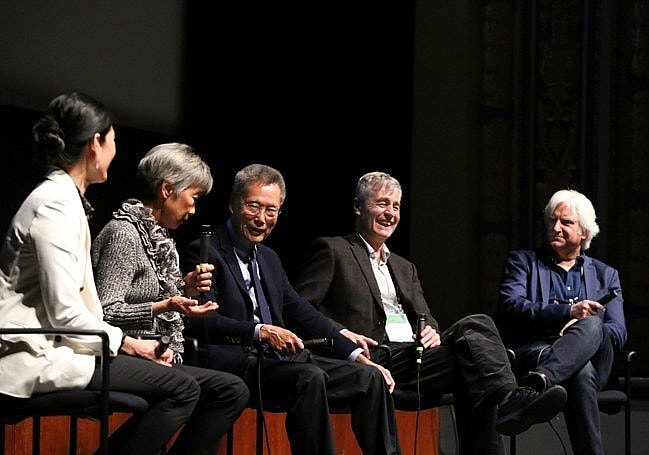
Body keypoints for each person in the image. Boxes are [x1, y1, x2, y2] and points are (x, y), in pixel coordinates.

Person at [0, 92, 217, 455]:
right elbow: (64, 313)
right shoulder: (54, 204)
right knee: (182, 389)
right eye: (113, 139)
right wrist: (131, 344)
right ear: (95, 144)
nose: (116, 150)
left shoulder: (64, 199)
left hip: (60, 346)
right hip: (32, 354)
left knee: (183, 388)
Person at [292, 171, 568, 455]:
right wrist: (342, 333)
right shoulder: (334, 250)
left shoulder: (404, 267)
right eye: (382, 203)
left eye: (396, 206)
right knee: (475, 348)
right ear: (358, 206)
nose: (390, 213)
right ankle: (510, 399)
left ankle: (508, 401)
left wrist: (432, 331)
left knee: (475, 351)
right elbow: (301, 310)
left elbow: (427, 318)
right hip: (372, 357)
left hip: (414, 358)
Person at [180, 163, 401, 455]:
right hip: (236, 362)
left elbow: (304, 313)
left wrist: (356, 355)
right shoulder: (206, 250)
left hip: (278, 362)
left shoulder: (269, 258)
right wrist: (260, 331)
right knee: (309, 377)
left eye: (271, 210)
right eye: (253, 206)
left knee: (370, 378)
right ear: (233, 204)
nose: (262, 219)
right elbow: (203, 320)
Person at [91, 143, 249, 451]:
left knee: (232, 390)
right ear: (167, 190)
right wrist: (166, 304)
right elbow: (105, 311)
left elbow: (157, 302)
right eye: (194, 197)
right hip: (121, 356)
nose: (193, 209)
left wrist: (184, 291)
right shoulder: (124, 234)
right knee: (189, 388)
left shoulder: (160, 238)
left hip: (157, 355)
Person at [496, 189, 627, 455]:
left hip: (593, 358)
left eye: (566, 222)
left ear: (584, 232)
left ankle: (534, 386)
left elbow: (618, 332)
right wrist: (567, 312)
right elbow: (511, 307)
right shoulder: (522, 262)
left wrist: (582, 328)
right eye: (552, 221)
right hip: (538, 352)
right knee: (581, 372)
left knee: (592, 324)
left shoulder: (607, 275)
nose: (556, 228)